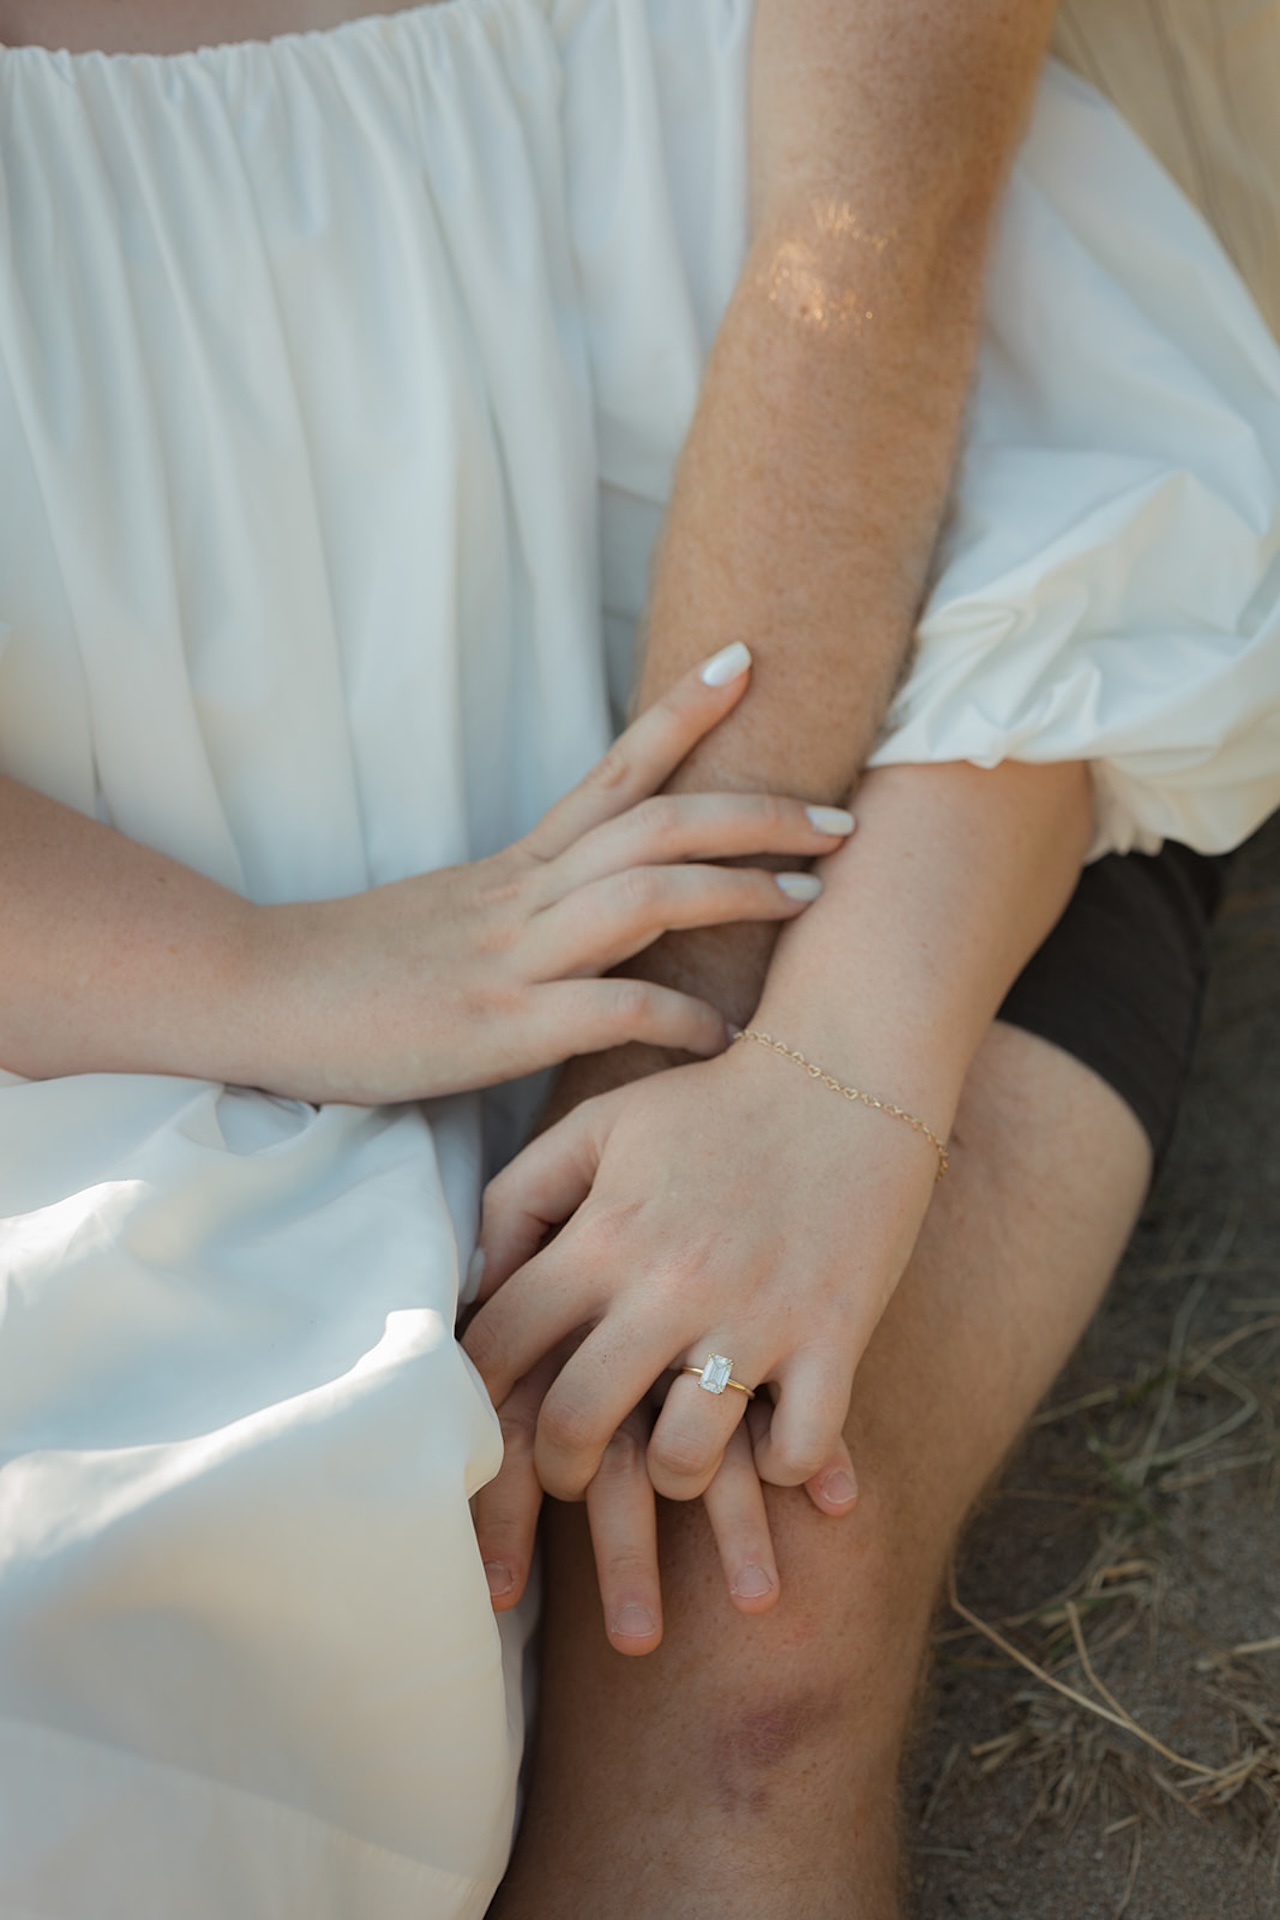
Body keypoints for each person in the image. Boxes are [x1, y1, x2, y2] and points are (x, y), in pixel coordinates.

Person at [0, 6, 1278, 1920]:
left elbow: (918, 289)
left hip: (914, 739)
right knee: (137, 1640)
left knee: (744, 1611)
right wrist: (272, 975)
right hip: (99, 966)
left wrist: (795, 1078)